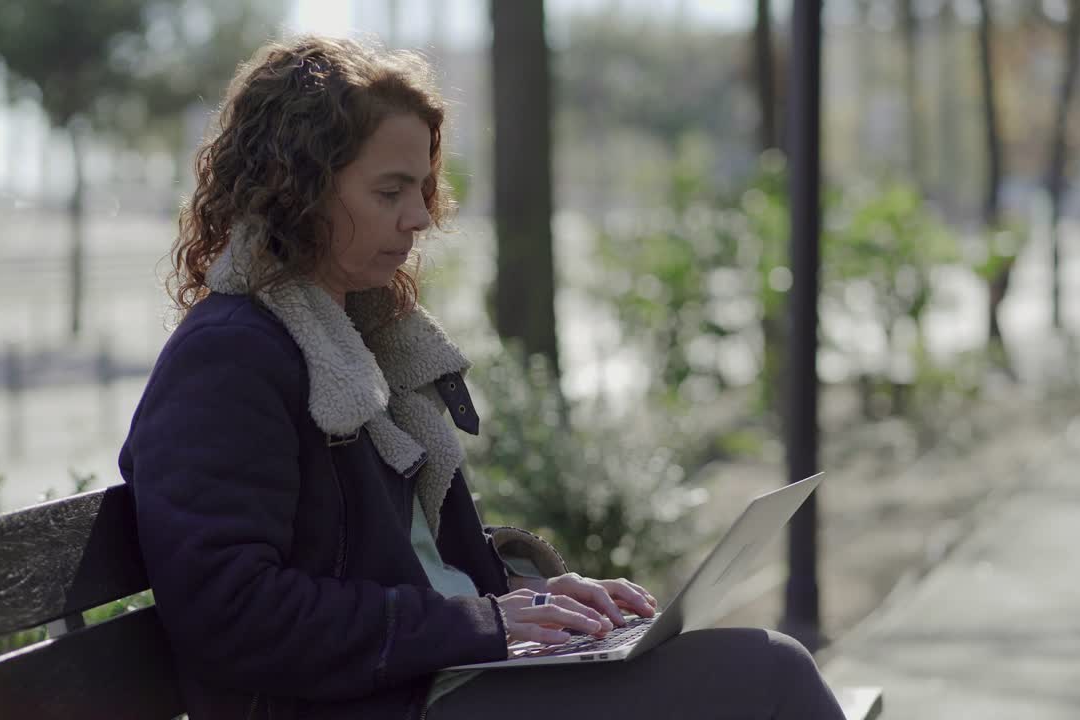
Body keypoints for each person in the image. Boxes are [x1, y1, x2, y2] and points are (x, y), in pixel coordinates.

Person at [119, 34, 847, 720]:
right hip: (382, 701)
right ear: (296, 190)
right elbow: (230, 613)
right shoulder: (230, 358)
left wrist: (530, 593)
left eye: (422, 190)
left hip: (438, 680)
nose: (418, 218)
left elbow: (398, 559)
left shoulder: (361, 338)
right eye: (389, 192)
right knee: (770, 674)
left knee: (757, 668)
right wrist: (482, 622)